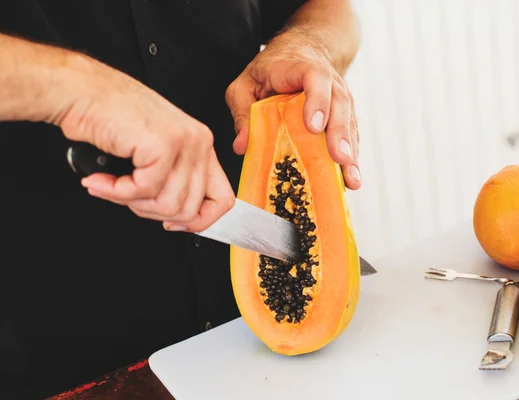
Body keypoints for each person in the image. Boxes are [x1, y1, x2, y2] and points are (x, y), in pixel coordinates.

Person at [0, 1, 361, 398]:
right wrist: (79, 87)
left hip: (244, 347)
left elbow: (328, 10)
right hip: (64, 360)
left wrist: (306, 44)